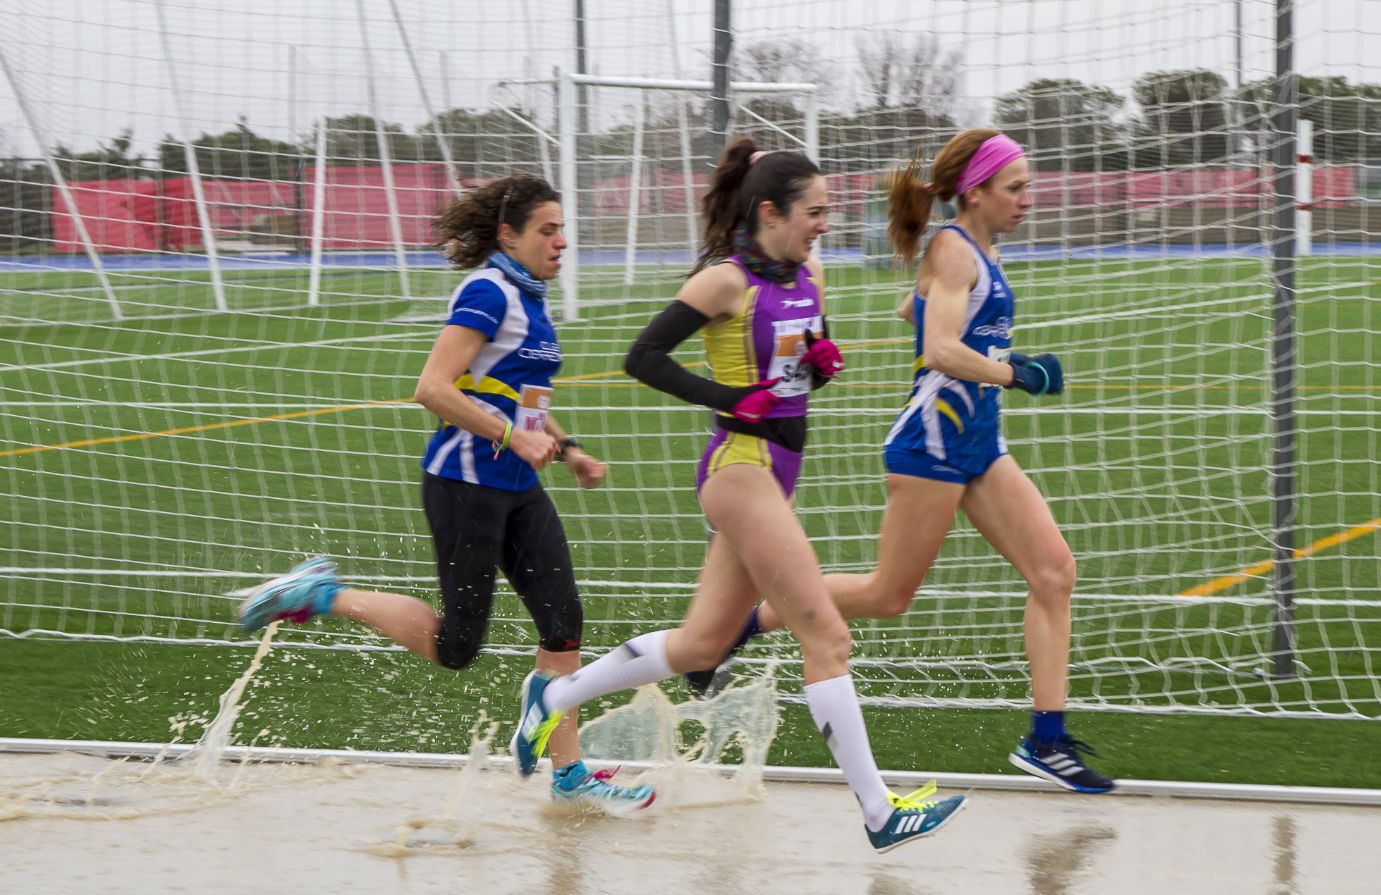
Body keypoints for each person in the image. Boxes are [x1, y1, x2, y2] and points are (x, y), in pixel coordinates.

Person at [511, 138, 967, 853]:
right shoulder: (726, 282)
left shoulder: (810, 274)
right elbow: (643, 357)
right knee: (827, 634)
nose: (824, 224)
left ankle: (554, 697)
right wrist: (729, 397)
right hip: (739, 469)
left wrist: (817, 361)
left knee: (702, 643)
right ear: (769, 211)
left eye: (827, 212)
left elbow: (798, 355)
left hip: (780, 470)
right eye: (813, 212)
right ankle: (880, 812)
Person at [697, 130, 1115, 794]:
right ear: (975, 192)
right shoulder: (953, 248)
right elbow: (942, 347)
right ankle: (738, 626)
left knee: (1054, 571)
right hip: (933, 441)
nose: (1027, 199)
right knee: (888, 596)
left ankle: (1047, 739)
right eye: (1016, 188)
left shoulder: (978, 250)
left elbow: (913, 310)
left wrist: (945, 321)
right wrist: (1015, 372)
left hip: (977, 440)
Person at [235, 173, 654, 815]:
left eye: (563, 228)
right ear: (508, 235)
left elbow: (520, 398)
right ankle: (319, 592)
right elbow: (432, 386)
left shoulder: (532, 299)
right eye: (548, 229)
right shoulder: (488, 291)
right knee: (457, 647)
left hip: (518, 488)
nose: (561, 240)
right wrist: (514, 438)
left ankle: (569, 772)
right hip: (465, 486)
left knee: (564, 624)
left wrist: (566, 451)